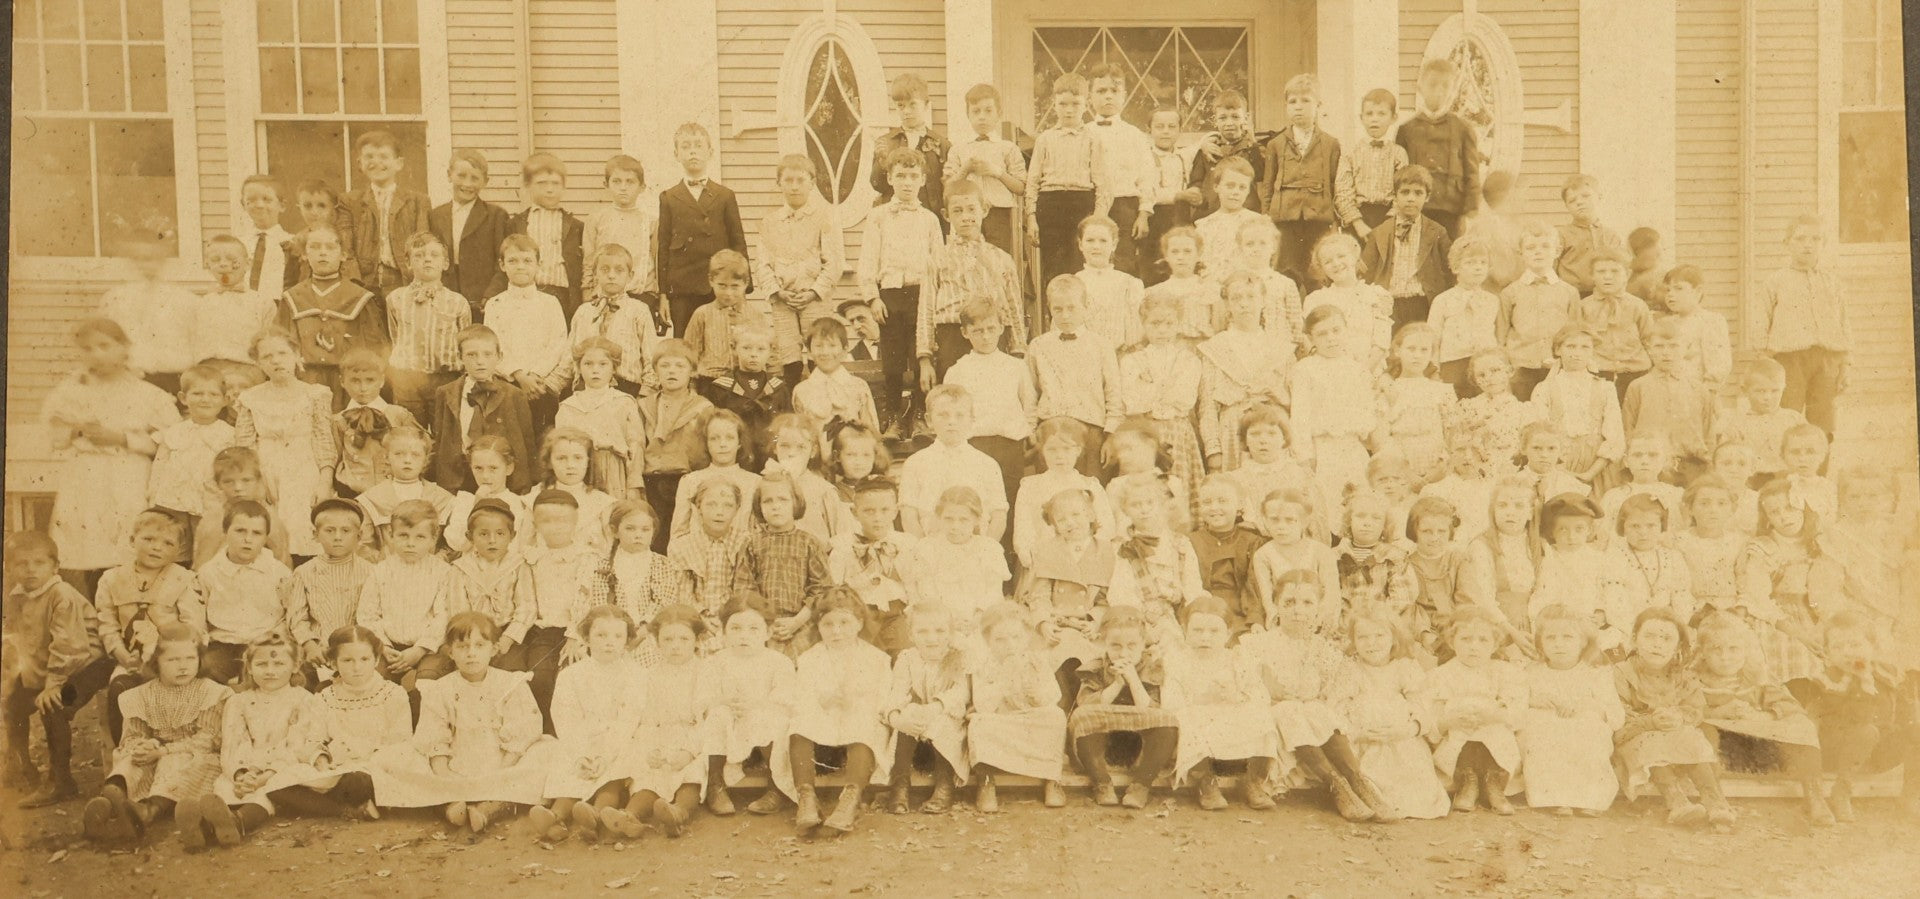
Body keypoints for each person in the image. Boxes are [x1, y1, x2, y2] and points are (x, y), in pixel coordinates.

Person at [369, 612, 556, 834]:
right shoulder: (439, 689)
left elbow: (524, 728)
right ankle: (448, 804)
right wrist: (442, 771)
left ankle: (492, 807)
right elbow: (433, 732)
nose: (471, 654)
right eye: (463, 647)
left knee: (550, 751)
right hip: (454, 763)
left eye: (479, 645)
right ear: (450, 652)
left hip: (503, 763)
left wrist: (503, 769)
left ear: (494, 649)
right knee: (388, 759)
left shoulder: (511, 684)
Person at [46, 319, 182, 583]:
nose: (96, 354)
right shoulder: (70, 391)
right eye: (87, 348)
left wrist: (122, 438)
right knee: (82, 544)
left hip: (127, 472)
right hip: (84, 474)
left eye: (104, 346)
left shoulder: (147, 393)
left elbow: (171, 441)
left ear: (124, 348)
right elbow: (54, 432)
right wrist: (77, 431)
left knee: (125, 542)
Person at [82, 624, 228, 844]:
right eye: (173, 660)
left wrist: (164, 751)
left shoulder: (210, 693)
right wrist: (143, 746)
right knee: (131, 759)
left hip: (191, 755)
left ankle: (148, 811)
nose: (183, 667)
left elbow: (208, 739)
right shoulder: (141, 696)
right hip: (155, 755)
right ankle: (114, 799)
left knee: (175, 763)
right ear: (156, 662)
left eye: (190, 659)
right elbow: (132, 735)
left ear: (200, 660)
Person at [179, 635, 329, 849]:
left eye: (278, 664)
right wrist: (241, 772)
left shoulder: (304, 700)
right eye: (261, 664)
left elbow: (297, 744)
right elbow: (233, 742)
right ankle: (204, 826)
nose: (270, 671)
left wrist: (266, 774)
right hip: (246, 763)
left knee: (265, 793)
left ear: (295, 666)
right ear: (248, 667)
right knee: (226, 788)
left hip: (283, 765)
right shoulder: (238, 701)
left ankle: (236, 823)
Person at [2, 532, 111, 808]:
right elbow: (17, 641)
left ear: (55, 566)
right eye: (21, 564)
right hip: (52, 666)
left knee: (55, 705)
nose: (29, 571)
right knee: (14, 702)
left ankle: (61, 781)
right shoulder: (16, 597)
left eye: (38, 563)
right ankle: (20, 765)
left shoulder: (61, 594)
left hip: (88, 663)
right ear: (9, 568)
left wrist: (52, 684)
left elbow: (70, 646)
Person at [776, 588, 892, 834]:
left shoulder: (876, 658)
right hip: (824, 734)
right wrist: (824, 701)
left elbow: (884, 698)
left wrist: (859, 700)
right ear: (818, 626)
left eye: (844, 622)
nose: (836, 631)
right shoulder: (810, 659)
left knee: (865, 721)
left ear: (859, 623)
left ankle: (850, 799)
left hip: (857, 731)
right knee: (799, 724)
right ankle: (806, 797)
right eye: (828, 624)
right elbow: (801, 697)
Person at [1693, 615, 1826, 825]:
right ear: (1702, 653)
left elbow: (1791, 706)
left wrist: (1765, 715)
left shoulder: (1758, 678)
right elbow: (1683, 710)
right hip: (1721, 753)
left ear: (1745, 650)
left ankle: (1815, 797)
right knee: (1702, 730)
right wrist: (1715, 713)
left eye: (1733, 649)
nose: (1725, 657)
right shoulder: (1693, 680)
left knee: (1803, 725)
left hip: (1758, 749)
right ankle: (1716, 801)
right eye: (1716, 649)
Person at [1615, 607, 1733, 831]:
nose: (1657, 644)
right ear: (1634, 639)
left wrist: (1678, 717)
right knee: (1650, 742)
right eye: (1649, 636)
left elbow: (1695, 707)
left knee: (1691, 737)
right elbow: (1617, 711)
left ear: (1678, 646)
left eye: (1666, 638)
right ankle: (1676, 801)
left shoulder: (1683, 675)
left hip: (1674, 732)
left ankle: (1716, 802)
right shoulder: (1622, 672)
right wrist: (1650, 723)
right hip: (1635, 734)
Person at [601, 605, 713, 840]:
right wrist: (651, 749)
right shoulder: (648, 676)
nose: (675, 645)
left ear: (696, 641)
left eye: (683, 639)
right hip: (659, 737)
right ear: (657, 643)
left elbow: (707, 720)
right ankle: (629, 816)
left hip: (692, 740)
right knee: (647, 773)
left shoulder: (704, 673)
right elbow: (646, 720)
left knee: (691, 774)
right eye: (668, 639)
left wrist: (688, 752)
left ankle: (678, 814)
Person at [1160, 598, 1276, 811]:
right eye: (1197, 630)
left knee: (1262, 715)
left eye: (1214, 631)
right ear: (1185, 630)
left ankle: (1251, 780)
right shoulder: (1178, 661)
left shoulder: (1237, 659)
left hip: (1231, 713)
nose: (1205, 638)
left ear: (1228, 633)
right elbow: (1171, 703)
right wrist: (1203, 698)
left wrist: (1237, 696)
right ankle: (1206, 780)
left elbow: (1258, 693)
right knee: (1189, 718)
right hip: (1198, 714)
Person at [1803, 611, 1920, 824]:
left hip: (1876, 755)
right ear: (1827, 653)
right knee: (1865, 730)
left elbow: (1899, 716)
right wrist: (1864, 682)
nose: (1847, 653)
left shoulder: (1885, 677)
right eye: (1838, 647)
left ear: (1872, 648)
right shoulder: (1826, 682)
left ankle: (1912, 794)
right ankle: (1841, 792)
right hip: (1838, 754)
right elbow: (1855, 717)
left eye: (1855, 645)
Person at [861, 147, 948, 430]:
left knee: (921, 353)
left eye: (913, 176)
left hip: (923, 295)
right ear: (889, 179)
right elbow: (868, 259)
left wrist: (936, 297)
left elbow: (939, 261)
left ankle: (922, 413)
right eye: (901, 176)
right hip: (891, 295)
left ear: (923, 179)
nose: (907, 182)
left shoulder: (930, 220)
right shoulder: (879, 216)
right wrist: (873, 297)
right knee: (893, 358)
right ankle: (893, 416)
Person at [234, 331, 338, 560]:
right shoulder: (250, 398)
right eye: (267, 356)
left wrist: (324, 482)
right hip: (267, 474)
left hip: (304, 469)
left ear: (296, 355)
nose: (276, 360)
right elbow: (245, 446)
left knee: (306, 535)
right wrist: (258, 480)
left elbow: (324, 442)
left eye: (282, 353)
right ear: (259, 363)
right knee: (271, 536)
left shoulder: (314, 394)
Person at [1342, 609, 1451, 819]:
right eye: (1362, 637)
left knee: (1416, 785)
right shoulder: (1351, 669)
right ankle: (1371, 797)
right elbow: (1339, 707)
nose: (1371, 643)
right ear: (1353, 642)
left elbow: (1422, 706)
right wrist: (1357, 732)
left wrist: (1408, 729)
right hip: (1365, 740)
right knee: (1367, 780)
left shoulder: (1404, 667)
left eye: (1379, 636)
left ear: (1393, 638)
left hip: (1401, 740)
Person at [1748, 215, 1850, 436]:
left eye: (1816, 239)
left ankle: (1818, 472)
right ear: (1787, 243)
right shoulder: (1776, 280)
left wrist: (1845, 364)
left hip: (1826, 360)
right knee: (1785, 418)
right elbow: (1760, 320)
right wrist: (1764, 358)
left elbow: (1843, 322)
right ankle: (1784, 471)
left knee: (1823, 423)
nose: (1808, 244)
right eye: (1800, 238)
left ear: (1823, 244)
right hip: (1788, 360)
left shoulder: (1831, 281)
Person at [1519, 604, 1625, 815]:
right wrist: (1534, 701)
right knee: (1539, 724)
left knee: (1589, 727)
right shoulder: (1532, 673)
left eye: (1567, 637)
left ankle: (1589, 798)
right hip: (1547, 724)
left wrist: (1589, 706)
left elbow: (1616, 715)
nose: (1559, 644)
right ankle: (1555, 797)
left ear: (1583, 641)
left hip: (1583, 723)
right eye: (1550, 638)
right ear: (1540, 642)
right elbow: (1515, 704)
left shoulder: (1596, 673)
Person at [1069, 608, 1179, 811]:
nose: (1124, 653)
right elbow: (1087, 706)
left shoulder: (1153, 666)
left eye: (1132, 646)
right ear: (1104, 643)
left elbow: (1153, 709)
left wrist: (1133, 679)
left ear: (1143, 642)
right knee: (1081, 717)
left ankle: (1141, 785)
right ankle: (1102, 782)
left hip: (1140, 744)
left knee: (1168, 723)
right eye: (1116, 646)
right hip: (1104, 743)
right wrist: (1117, 683)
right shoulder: (1094, 667)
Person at [918, 183, 1028, 385]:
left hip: (992, 336)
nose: (965, 216)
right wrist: (924, 359)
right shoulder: (938, 258)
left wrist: (1018, 349)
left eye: (971, 209)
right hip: (952, 337)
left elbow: (1014, 308)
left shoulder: (1001, 258)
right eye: (957, 211)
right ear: (946, 215)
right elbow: (925, 309)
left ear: (984, 209)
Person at [967, 603, 1070, 811]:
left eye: (1016, 638)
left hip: (1032, 721)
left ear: (1027, 637)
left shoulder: (1037, 661)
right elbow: (982, 704)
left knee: (1056, 716)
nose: (1010, 645)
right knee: (978, 722)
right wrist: (1003, 682)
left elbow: (1053, 696)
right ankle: (986, 781)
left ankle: (1051, 778)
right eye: (1000, 639)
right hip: (1003, 722)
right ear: (988, 641)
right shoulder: (984, 665)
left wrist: (1035, 692)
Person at [358, 500, 459, 705]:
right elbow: (367, 615)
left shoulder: (443, 572)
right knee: (374, 680)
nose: (410, 543)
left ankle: (422, 730)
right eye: (403, 535)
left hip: (429, 647)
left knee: (427, 681)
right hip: (388, 647)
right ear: (391, 536)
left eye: (420, 537)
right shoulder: (380, 571)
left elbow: (444, 616)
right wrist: (383, 647)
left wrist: (420, 650)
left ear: (433, 539)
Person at [1426, 606, 1526, 814]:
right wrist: (1450, 720)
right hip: (1457, 743)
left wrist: (1493, 715)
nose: (1474, 647)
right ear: (1452, 642)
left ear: (1494, 644)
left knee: (1494, 714)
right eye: (1465, 639)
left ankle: (1493, 781)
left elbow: (1517, 714)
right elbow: (1432, 722)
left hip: (1496, 740)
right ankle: (1466, 781)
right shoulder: (1440, 675)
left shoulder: (1504, 672)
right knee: (1457, 707)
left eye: (1483, 640)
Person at [757, 154, 847, 381]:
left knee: (821, 353)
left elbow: (834, 263)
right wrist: (778, 292)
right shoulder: (770, 222)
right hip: (783, 300)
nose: (794, 187)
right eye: (788, 181)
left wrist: (813, 292)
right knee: (789, 358)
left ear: (812, 183)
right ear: (779, 183)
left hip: (814, 298)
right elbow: (762, 264)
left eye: (800, 180)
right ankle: (792, 409)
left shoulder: (825, 217)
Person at [704, 597, 797, 817]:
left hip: (763, 726)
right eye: (735, 628)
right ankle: (715, 785)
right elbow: (705, 698)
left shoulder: (778, 662)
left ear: (767, 632)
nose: (744, 635)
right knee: (717, 715)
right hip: (731, 724)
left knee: (775, 720)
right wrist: (724, 702)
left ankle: (777, 787)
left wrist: (757, 704)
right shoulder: (716, 661)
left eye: (754, 629)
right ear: (724, 633)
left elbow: (786, 699)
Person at [305, 626, 408, 821]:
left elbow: (400, 743)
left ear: (376, 660)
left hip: (378, 768)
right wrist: (322, 761)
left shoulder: (393, 694)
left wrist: (368, 763)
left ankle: (343, 804)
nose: (357, 667)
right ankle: (353, 807)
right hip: (338, 769)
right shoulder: (325, 697)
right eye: (347, 660)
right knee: (283, 783)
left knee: (360, 781)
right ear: (333, 663)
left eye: (364, 659)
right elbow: (314, 739)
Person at [1117, 295, 1207, 517]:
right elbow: (1132, 401)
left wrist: (1150, 387)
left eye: (1169, 324)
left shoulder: (1189, 360)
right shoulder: (1132, 360)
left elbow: (1184, 398)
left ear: (1178, 324)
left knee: (1177, 490)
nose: (1162, 330)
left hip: (1177, 431)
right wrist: (1162, 390)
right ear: (1144, 324)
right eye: (1155, 324)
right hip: (1146, 433)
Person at [658, 122, 749, 335]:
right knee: (685, 344)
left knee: (723, 339)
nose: (692, 151)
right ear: (676, 154)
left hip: (719, 286)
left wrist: (743, 287)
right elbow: (662, 249)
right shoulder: (669, 197)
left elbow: (738, 242)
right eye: (686, 146)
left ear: (710, 152)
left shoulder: (725, 195)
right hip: (682, 289)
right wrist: (663, 294)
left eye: (698, 145)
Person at [1027, 276, 1123, 477]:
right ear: (1050, 309)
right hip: (1050, 431)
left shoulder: (1101, 346)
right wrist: (1031, 430)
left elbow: (1114, 394)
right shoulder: (1038, 346)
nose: (1065, 316)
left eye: (1072, 308)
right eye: (1058, 309)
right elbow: (1030, 393)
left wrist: (1110, 435)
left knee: (1090, 492)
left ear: (1085, 307)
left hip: (1091, 433)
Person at [883, 601, 971, 814]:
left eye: (940, 631)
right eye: (922, 631)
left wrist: (937, 706)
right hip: (917, 736)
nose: (932, 638)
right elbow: (897, 691)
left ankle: (944, 784)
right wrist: (897, 717)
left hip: (944, 729)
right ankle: (900, 784)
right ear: (911, 635)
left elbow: (962, 693)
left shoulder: (957, 657)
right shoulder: (907, 658)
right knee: (908, 714)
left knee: (945, 722)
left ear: (950, 633)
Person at [734, 471, 833, 658]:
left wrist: (797, 621)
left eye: (783, 500)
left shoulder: (809, 543)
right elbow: (744, 589)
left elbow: (822, 590)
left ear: (795, 503)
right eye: (768, 501)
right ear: (759, 506)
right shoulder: (751, 544)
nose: (775, 507)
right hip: (762, 627)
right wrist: (766, 622)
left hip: (803, 625)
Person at [1290, 306, 1379, 511]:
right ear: (1311, 339)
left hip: (1353, 448)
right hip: (1322, 451)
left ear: (1346, 330)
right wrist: (1306, 458)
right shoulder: (1305, 369)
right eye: (1322, 334)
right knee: (1327, 504)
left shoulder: (1356, 369)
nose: (1331, 338)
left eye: (1336, 331)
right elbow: (1300, 417)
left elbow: (1367, 411)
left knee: (1357, 503)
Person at [1198, 274, 1290, 473]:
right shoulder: (1215, 347)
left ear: (1263, 301)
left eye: (1251, 297)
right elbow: (1207, 406)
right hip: (1232, 432)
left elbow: (1295, 402)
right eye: (1236, 298)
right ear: (1227, 304)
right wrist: (1213, 450)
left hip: (1272, 431)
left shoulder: (1281, 346)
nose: (1244, 304)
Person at [1026, 73, 1110, 288]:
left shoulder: (1093, 138)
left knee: (1080, 265)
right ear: (1054, 105)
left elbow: (1102, 181)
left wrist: (1098, 218)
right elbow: (1033, 180)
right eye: (1063, 104)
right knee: (1053, 267)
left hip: (1081, 203)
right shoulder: (1045, 139)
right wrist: (1032, 216)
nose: (1069, 109)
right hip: (1050, 204)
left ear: (1086, 104)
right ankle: (1054, 318)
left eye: (1075, 103)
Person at [430, 325, 537, 494]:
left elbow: (526, 443)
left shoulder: (514, 395)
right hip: (458, 479)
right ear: (460, 357)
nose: (480, 361)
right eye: (471, 355)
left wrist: (523, 485)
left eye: (487, 354)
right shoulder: (445, 393)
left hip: (500, 480)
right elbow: (441, 438)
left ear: (499, 356)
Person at [898, 384, 1010, 540]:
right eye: (943, 415)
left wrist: (984, 550)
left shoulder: (987, 464)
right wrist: (924, 551)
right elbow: (908, 516)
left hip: (975, 552)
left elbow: (999, 515)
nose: (951, 421)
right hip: (930, 550)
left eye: (959, 415)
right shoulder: (915, 463)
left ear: (972, 420)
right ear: (929, 420)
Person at [484, 233, 571, 428]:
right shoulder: (495, 304)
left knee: (542, 436)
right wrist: (519, 375)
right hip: (508, 384)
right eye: (513, 261)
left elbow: (558, 343)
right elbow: (493, 346)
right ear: (502, 265)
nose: (521, 266)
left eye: (527, 260)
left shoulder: (550, 303)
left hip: (541, 386)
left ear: (538, 264)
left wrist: (536, 376)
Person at [285, 499, 375, 685]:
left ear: (359, 535)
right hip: (317, 649)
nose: (337, 537)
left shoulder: (370, 572)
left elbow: (373, 616)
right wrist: (310, 646)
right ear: (315, 535)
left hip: (357, 649)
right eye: (329, 530)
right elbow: (298, 618)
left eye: (345, 531)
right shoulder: (304, 572)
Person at [638, 341, 716, 551]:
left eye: (679, 366)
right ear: (655, 371)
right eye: (665, 365)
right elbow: (638, 444)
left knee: (684, 534)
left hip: (686, 479)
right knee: (656, 535)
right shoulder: (644, 405)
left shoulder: (702, 407)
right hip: (652, 479)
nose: (672, 371)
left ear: (692, 371)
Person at [98, 237, 197, 394]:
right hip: (129, 381)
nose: (142, 265)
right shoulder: (113, 299)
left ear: (162, 260)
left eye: (149, 259)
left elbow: (197, 348)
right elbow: (104, 344)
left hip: (174, 381)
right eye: (135, 259)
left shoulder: (185, 300)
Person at [1395, 57, 1480, 237]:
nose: (1439, 92)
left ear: (1453, 90)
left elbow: (1472, 174)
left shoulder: (1463, 129)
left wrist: (1469, 213)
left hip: (1452, 211)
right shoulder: (1406, 130)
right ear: (1420, 88)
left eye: (1445, 86)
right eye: (1433, 85)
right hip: (1417, 210)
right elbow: (1398, 174)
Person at [584, 502, 677, 664]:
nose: (638, 535)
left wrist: (640, 634)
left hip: (649, 633)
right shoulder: (602, 565)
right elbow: (599, 604)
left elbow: (663, 602)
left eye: (645, 530)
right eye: (630, 528)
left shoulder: (662, 564)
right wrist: (618, 635)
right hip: (612, 634)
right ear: (615, 531)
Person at [1084, 64, 1156, 275]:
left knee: (1124, 261)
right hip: (1091, 204)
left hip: (1124, 205)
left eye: (1114, 91)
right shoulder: (1083, 132)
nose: (1108, 96)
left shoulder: (1134, 135)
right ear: (1090, 96)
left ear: (1123, 95)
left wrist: (1143, 214)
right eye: (1101, 91)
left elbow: (1147, 177)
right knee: (1090, 259)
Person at [1530, 326, 1625, 486]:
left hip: (1597, 467)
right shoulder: (1544, 388)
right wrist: (1560, 470)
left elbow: (1615, 437)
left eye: (1585, 347)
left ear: (1592, 351)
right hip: (1557, 466)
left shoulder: (1605, 388)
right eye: (1571, 346)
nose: (1577, 352)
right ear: (1558, 349)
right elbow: (1539, 433)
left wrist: (1590, 474)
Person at [942, 83, 1028, 259]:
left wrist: (996, 171)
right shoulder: (958, 149)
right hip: (967, 213)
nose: (982, 117)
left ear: (999, 114)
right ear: (968, 115)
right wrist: (965, 169)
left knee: (997, 260)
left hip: (998, 214)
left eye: (988, 111)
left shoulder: (1008, 148)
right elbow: (948, 187)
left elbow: (1020, 187)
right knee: (968, 259)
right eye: (976, 111)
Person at [554, 338, 646, 499]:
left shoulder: (624, 402)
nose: (595, 370)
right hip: (580, 472)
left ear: (614, 368)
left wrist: (634, 484)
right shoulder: (568, 406)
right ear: (579, 368)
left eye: (603, 364)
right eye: (588, 364)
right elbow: (560, 448)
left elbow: (636, 446)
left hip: (615, 471)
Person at [448, 497, 534, 664]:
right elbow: (457, 610)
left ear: (512, 536)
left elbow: (527, 607)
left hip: (507, 633)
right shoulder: (460, 568)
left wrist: (508, 638)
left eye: (500, 533)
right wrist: (475, 640)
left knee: (510, 669)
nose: (492, 540)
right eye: (483, 534)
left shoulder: (518, 565)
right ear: (470, 537)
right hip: (470, 637)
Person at [430, 149, 515, 319]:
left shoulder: (496, 215)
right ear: (449, 175)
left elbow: (503, 260)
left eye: (475, 178)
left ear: (485, 182)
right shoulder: (435, 215)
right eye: (461, 175)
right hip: (445, 298)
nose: (467, 184)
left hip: (482, 301)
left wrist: (492, 294)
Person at [567, 245, 662, 395]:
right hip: (587, 387)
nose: (611, 275)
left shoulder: (639, 310)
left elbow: (651, 356)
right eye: (605, 269)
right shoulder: (584, 311)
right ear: (595, 274)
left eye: (619, 270)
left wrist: (646, 392)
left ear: (630, 275)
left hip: (625, 387)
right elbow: (569, 355)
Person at [346, 130, 430, 298]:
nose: (376, 162)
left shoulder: (417, 201)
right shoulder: (350, 202)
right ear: (359, 163)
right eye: (369, 156)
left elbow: (422, 246)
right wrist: (355, 286)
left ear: (399, 163)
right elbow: (347, 248)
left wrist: (420, 284)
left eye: (384, 156)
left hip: (403, 281)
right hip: (364, 282)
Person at [1498, 222, 1576, 400]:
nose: (1538, 251)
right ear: (1521, 253)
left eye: (1545, 246)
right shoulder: (1510, 292)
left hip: (1558, 366)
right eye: (1530, 247)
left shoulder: (1569, 292)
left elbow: (1574, 334)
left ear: (1557, 251)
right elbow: (1500, 335)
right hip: (1521, 368)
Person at [331, 349, 422, 499]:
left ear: (382, 381)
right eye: (355, 380)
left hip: (392, 490)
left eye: (370, 380)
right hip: (352, 491)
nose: (363, 388)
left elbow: (422, 448)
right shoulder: (339, 420)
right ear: (342, 381)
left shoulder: (398, 415)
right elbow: (335, 457)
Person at [507, 151, 585, 318]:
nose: (550, 189)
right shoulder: (516, 223)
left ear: (564, 186)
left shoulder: (575, 226)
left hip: (564, 296)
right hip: (528, 293)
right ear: (527, 185)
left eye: (555, 183)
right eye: (541, 183)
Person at [354, 426, 455, 553]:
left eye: (415, 455)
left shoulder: (441, 498)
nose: (407, 460)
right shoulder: (372, 499)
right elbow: (366, 546)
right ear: (386, 457)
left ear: (425, 460)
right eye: (399, 454)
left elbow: (450, 547)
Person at [192, 236, 279, 380]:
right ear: (208, 265)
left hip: (248, 372)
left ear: (247, 264)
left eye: (231, 259)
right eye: (215, 260)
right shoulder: (202, 303)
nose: (223, 264)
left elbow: (269, 344)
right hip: (209, 374)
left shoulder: (262, 302)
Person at [668, 410, 762, 544]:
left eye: (729, 437)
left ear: (739, 442)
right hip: (697, 557)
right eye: (714, 438)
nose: (722, 444)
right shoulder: (690, 481)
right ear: (706, 443)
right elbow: (678, 534)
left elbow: (758, 532)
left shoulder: (755, 482)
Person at [683, 249, 775, 384]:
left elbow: (770, 353)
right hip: (711, 382)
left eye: (735, 286)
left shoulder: (756, 316)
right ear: (711, 280)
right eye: (722, 285)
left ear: (746, 283)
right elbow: (690, 355)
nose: (728, 293)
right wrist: (692, 387)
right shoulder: (702, 314)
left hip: (747, 383)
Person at [1574, 247, 1653, 403]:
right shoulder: (1584, 307)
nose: (1607, 277)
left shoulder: (1637, 306)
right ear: (1592, 276)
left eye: (1615, 271)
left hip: (1635, 373)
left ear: (1627, 275)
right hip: (1598, 373)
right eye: (1601, 272)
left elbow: (1649, 340)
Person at [1302, 233, 1393, 367]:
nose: (1336, 264)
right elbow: (1309, 339)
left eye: (1341, 256)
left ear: (1355, 256)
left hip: (1368, 370)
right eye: (1328, 261)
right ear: (1322, 268)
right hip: (1328, 370)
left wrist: (1361, 373)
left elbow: (1381, 342)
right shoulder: (1315, 299)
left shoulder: (1376, 295)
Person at [869, 73, 950, 220]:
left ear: (926, 105)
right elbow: (878, 186)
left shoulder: (942, 144)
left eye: (913, 104)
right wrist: (882, 164)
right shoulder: (886, 143)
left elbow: (947, 188)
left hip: (930, 220)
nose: (906, 111)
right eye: (901, 105)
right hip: (895, 219)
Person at [1427, 236, 1500, 397]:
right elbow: (1433, 339)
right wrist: (1434, 371)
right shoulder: (1443, 300)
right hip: (1453, 365)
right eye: (1470, 263)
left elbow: (1498, 337)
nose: (1478, 268)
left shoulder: (1492, 300)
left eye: (1483, 263)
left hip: (1485, 366)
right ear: (1455, 267)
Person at [582, 154, 658, 303]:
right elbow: (589, 259)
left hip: (640, 295)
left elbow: (656, 261)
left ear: (642, 187)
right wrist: (587, 290)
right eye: (617, 181)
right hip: (605, 294)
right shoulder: (596, 218)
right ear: (606, 184)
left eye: (630, 182)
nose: (623, 187)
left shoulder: (650, 221)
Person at [792, 315, 882, 441]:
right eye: (819, 346)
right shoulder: (802, 390)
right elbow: (800, 436)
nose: (825, 352)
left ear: (845, 350)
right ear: (810, 352)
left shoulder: (858, 386)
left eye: (832, 345)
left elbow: (872, 432)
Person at [1716, 358, 1805, 483]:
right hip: (1752, 481)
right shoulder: (1737, 423)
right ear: (1745, 390)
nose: (1767, 397)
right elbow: (1724, 458)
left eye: (1775, 391)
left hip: (1787, 480)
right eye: (1760, 391)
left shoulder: (1793, 419)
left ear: (1783, 388)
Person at [1335, 88, 1408, 238]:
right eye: (1369, 114)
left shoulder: (1398, 153)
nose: (1374, 119)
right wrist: (1358, 223)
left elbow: (1403, 189)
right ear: (1361, 118)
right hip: (1358, 218)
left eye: (1381, 113)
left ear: (1393, 118)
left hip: (1389, 219)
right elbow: (1342, 191)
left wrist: (1390, 222)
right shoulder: (1351, 153)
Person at [1181, 89, 1265, 219]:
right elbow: (1196, 182)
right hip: (1212, 214)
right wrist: (1200, 198)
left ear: (1246, 118)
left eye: (1235, 117)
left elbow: (1261, 176)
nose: (1229, 123)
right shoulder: (1207, 150)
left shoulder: (1252, 150)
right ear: (1215, 121)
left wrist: (1252, 144)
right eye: (1223, 118)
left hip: (1245, 215)